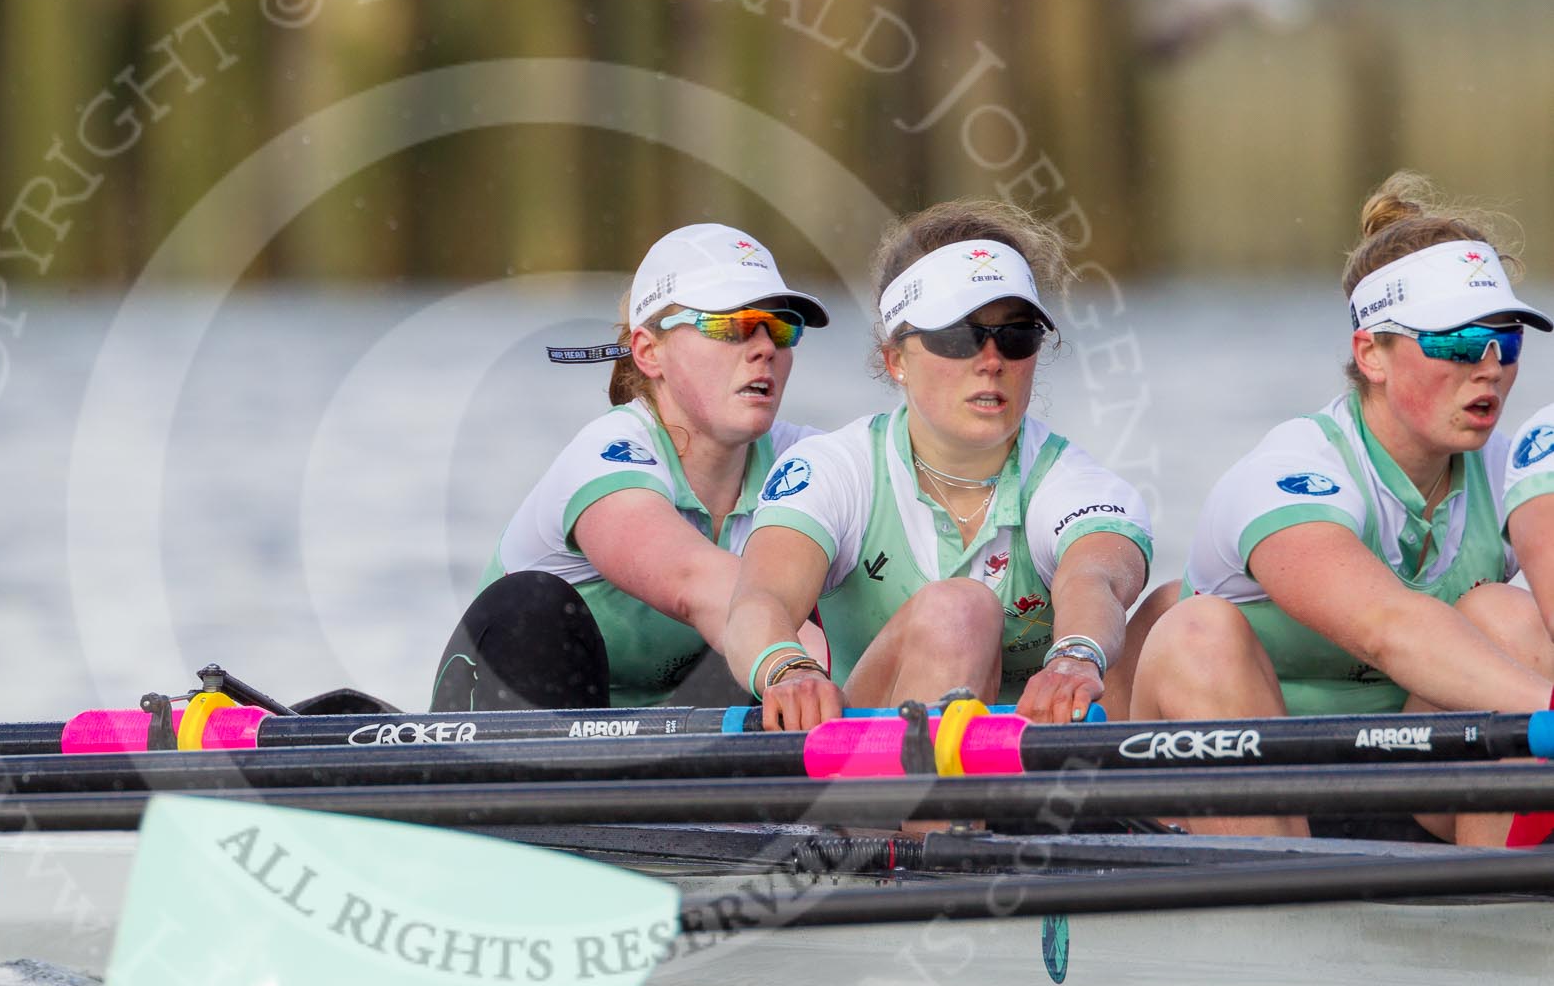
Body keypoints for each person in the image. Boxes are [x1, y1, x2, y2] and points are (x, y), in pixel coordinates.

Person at [1132, 172, 1554, 846]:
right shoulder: (1295, 470)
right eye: (1456, 342)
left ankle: (1494, 914)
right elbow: (1386, 626)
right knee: (1197, 632)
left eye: (1507, 339)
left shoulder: (1520, 470)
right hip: (1255, 782)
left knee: (1507, 618)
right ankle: (1269, 918)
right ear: (1371, 355)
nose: (1492, 367)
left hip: (1412, 787)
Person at [724, 200, 1155, 731]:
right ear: (896, 360)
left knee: (1187, 616)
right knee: (960, 611)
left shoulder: (1072, 481)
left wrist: (1075, 656)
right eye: (960, 336)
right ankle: (924, 817)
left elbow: (1095, 576)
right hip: (867, 769)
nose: (992, 360)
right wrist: (787, 670)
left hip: (1040, 772)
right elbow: (756, 601)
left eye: (1016, 334)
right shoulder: (837, 468)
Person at [431, 224, 830, 711]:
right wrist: (799, 669)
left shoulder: (813, 462)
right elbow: (690, 580)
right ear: (648, 351)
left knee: (829, 587)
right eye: (732, 325)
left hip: (682, 745)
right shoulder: (605, 455)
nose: (766, 347)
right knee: (529, 604)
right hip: (525, 724)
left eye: (782, 326)